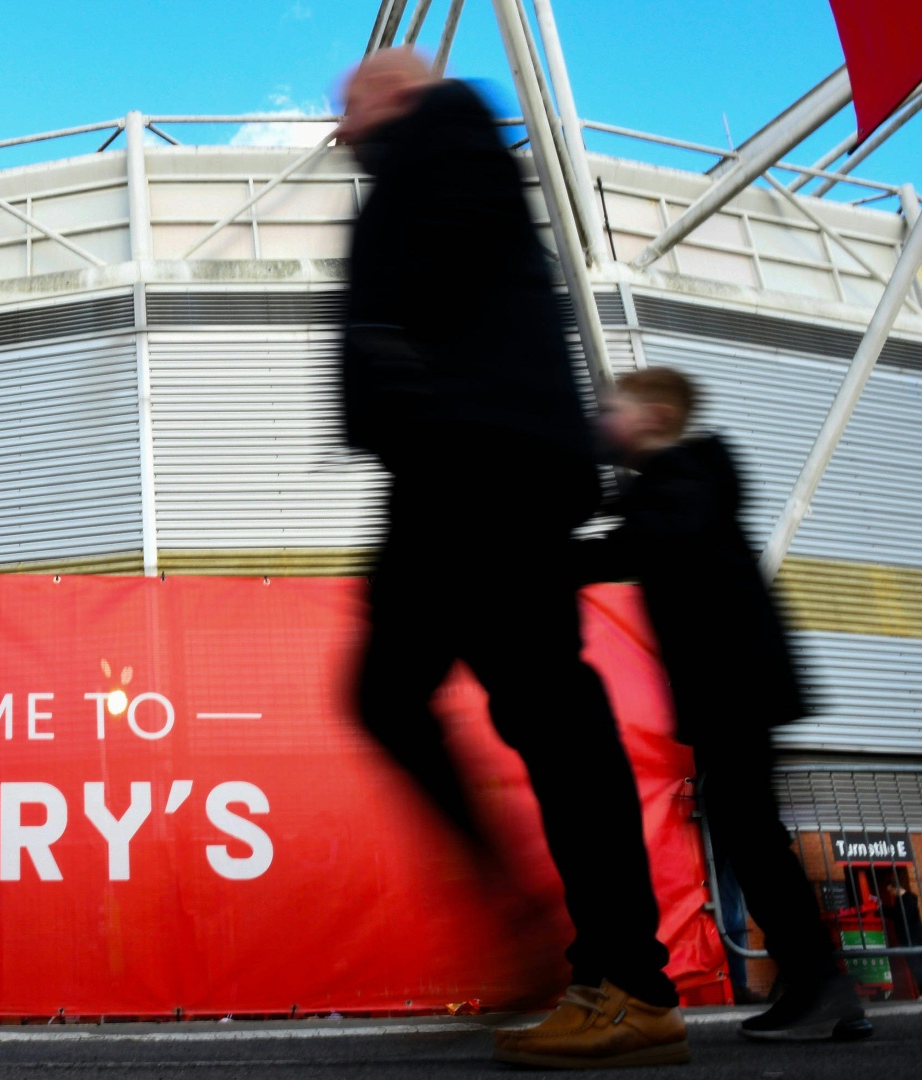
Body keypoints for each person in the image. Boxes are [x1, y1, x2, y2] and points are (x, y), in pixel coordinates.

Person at [336, 49, 686, 1069]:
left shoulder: (434, 152)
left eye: (347, 106)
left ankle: (608, 973)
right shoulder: (455, 158)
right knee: (532, 713)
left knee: (484, 708)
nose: (338, 128)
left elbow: (412, 300)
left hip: (468, 473)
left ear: (391, 96)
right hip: (481, 469)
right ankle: (599, 966)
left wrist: (389, 385)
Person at [578, 367, 871, 1041]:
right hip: (731, 688)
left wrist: (549, 558)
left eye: (613, 409)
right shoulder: (680, 480)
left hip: (734, 687)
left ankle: (817, 983)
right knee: (749, 832)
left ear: (655, 417)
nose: (601, 421)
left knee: (751, 835)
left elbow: (644, 538)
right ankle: (815, 983)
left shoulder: (686, 477)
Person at [881, 882, 922, 1000]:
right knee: (918, 966)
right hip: (912, 938)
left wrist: (882, 908)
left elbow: (899, 915)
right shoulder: (904, 900)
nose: (891, 893)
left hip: (912, 938)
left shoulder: (907, 899)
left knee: (916, 966)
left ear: (896, 888)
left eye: (891, 890)